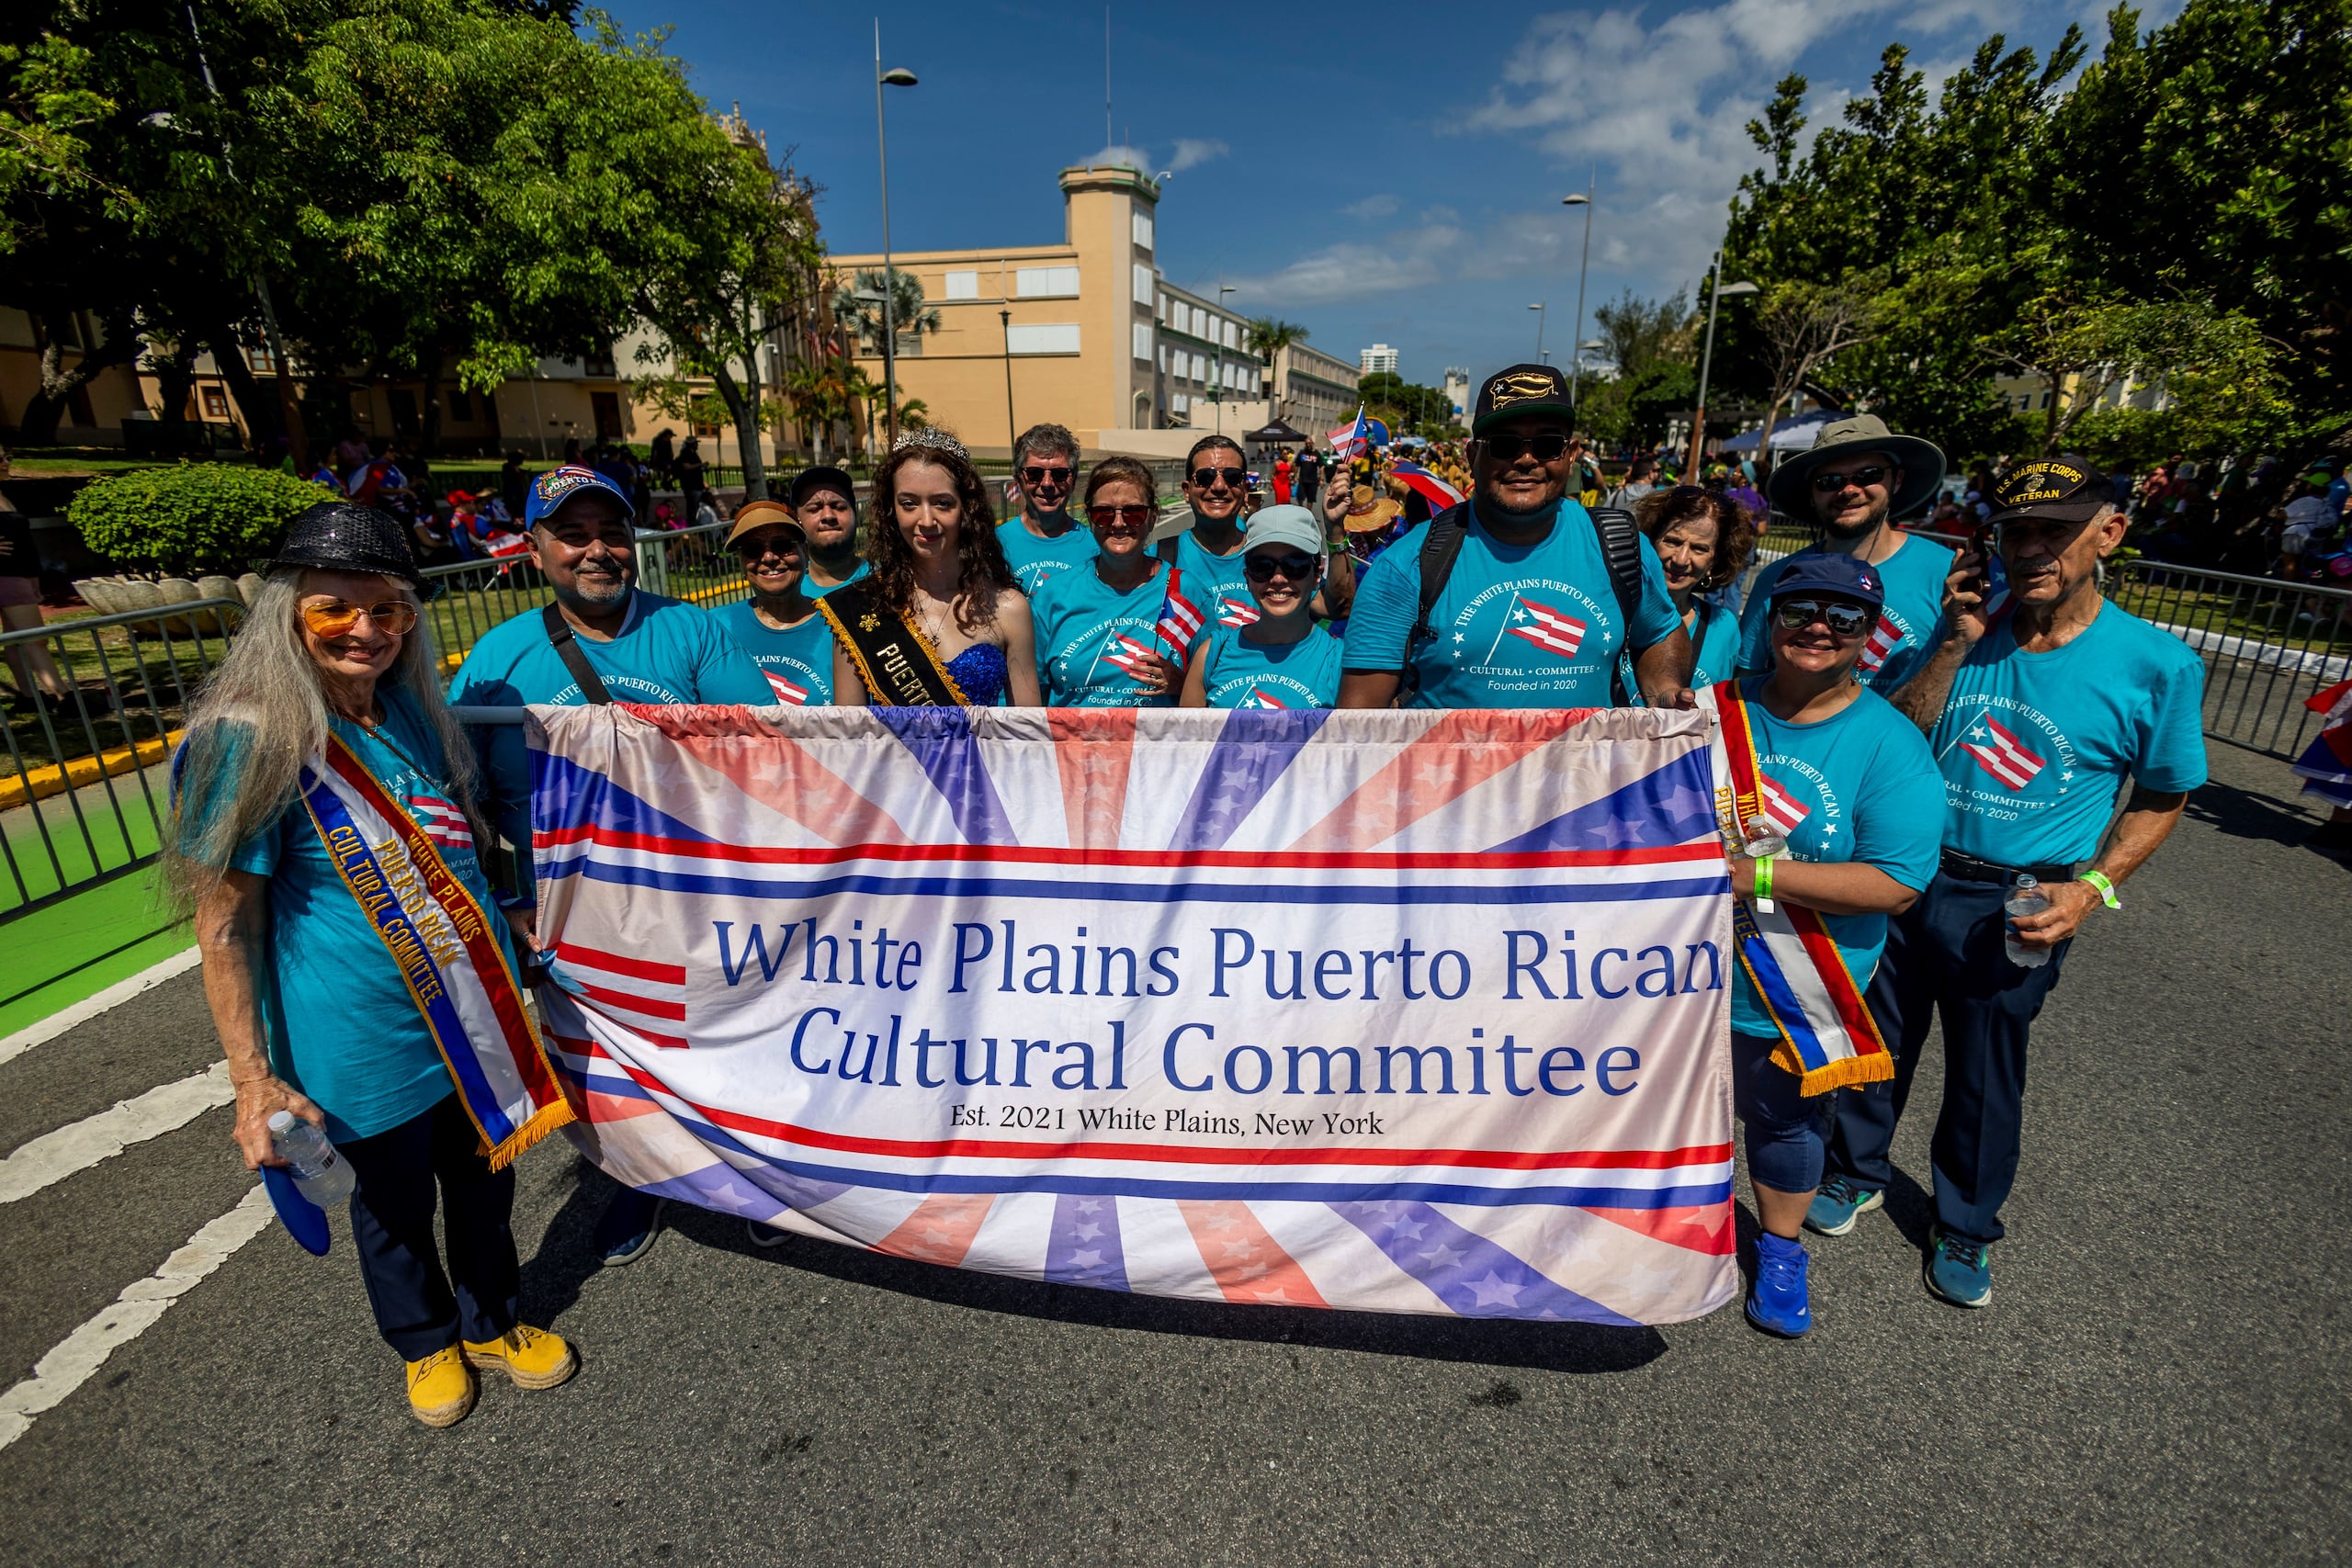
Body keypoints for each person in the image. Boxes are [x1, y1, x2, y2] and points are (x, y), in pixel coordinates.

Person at [174, 502, 577, 1428]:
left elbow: (453, 847)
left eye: (388, 610)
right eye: (335, 610)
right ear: (288, 616)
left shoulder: (406, 708)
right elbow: (224, 927)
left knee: (485, 1184)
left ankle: (491, 1322)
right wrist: (251, 1083)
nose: (366, 631)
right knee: (391, 1207)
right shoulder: (251, 738)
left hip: (466, 1017)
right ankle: (425, 1341)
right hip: (354, 1038)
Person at [1805, 457, 2207, 1309]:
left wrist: (2092, 890)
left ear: (2109, 533)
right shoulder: (1964, 631)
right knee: (1876, 1041)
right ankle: (1855, 1170)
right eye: (2016, 531)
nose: (2031, 551)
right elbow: (1899, 729)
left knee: (1988, 1071)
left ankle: (1964, 1223)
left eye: (2053, 533)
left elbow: (2165, 794)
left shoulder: (2155, 664)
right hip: (1911, 878)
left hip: (2021, 896)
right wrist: (1949, 645)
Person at [447, 464, 771, 1266]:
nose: (598, 550)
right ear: (536, 548)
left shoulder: (691, 631)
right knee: (605, 1057)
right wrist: (507, 896)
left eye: (613, 532)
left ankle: (763, 1177)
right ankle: (640, 1179)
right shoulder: (498, 655)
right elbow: (460, 791)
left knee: (726, 1039)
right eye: (574, 534)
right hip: (563, 908)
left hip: (689, 890)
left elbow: (761, 757)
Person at [1716, 554, 1944, 1337]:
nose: (1818, 627)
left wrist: (1759, 876)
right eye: (1801, 609)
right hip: (1677, 972)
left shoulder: (1888, 744)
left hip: (1796, 980)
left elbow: (1897, 881)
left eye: (1843, 616)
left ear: (1869, 635)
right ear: (1770, 617)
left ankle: (1780, 1250)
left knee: (1784, 1122)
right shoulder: (1711, 711)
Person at [1339, 364, 1692, 710]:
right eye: (1505, 445)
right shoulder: (1406, 566)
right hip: (1451, 771)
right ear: (1473, 456)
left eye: (1547, 444)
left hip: (1586, 770)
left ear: (1570, 456)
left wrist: (1664, 689)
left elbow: (1659, 633)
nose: (1526, 459)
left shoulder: (1622, 548)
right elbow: (1358, 724)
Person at [1736, 415, 1951, 695]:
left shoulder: (1945, 574)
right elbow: (1745, 682)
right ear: (1812, 494)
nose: (1848, 490)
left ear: (1896, 480)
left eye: (1869, 475)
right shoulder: (1776, 579)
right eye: (1829, 480)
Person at [824, 428, 1038, 708]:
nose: (926, 520)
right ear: (892, 510)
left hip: (981, 754)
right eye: (909, 504)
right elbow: (850, 741)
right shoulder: (860, 609)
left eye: (942, 503)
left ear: (967, 509)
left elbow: (1028, 736)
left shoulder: (1008, 607)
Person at [1029, 457, 1188, 707]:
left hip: (1154, 746)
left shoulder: (1185, 592)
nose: (1118, 523)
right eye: (1103, 513)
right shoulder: (1054, 594)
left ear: (1153, 517)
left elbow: (1213, 688)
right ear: (1090, 519)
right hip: (1072, 745)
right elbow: (1031, 694)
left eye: (1133, 512)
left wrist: (1182, 683)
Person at [1178, 505, 1344, 709]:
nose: (1278, 578)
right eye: (1262, 566)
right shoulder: (1212, 654)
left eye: (1295, 565)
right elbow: (1188, 739)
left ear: (1317, 576)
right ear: (1248, 578)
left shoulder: (1339, 661)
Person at [1623, 486, 1752, 698]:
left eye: (1699, 549)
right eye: (1673, 541)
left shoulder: (1722, 626)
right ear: (1650, 542)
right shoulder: (1613, 610)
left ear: (1714, 561)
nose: (1681, 559)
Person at [713, 500, 834, 706]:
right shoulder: (713, 627)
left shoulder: (840, 626)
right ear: (742, 564)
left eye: (782, 546)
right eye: (753, 550)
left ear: (805, 552)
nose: (769, 557)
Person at [994, 423, 1093, 596]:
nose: (1047, 483)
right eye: (1034, 474)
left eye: (1060, 474)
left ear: (1074, 480)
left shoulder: (1095, 546)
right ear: (1018, 479)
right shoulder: (994, 545)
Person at [789, 465, 870, 598]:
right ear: (797, 520)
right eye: (814, 509)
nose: (828, 516)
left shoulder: (887, 581)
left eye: (839, 507)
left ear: (854, 514)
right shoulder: (790, 595)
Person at [673, 436, 707, 511]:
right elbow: (686, 467)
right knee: (693, 506)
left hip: (697, 484)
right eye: (695, 443)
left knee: (697, 506)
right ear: (691, 444)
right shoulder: (685, 453)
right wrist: (699, 465)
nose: (697, 445)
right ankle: (692, 521)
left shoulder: (694, 453)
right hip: (690, 485)